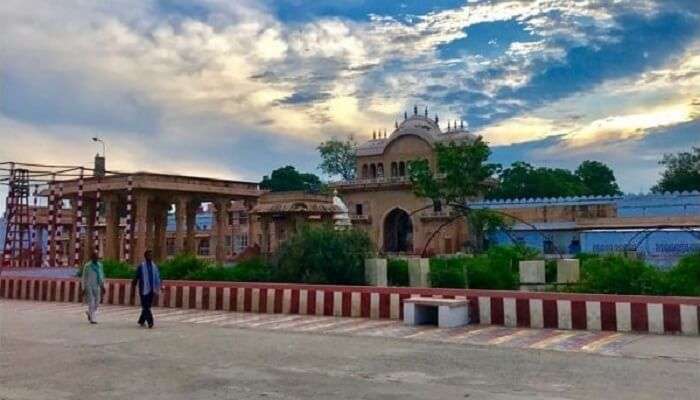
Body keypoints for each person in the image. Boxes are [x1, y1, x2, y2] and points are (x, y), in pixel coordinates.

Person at [132, 250, 161, 328]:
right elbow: (136, 277)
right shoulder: (141, 266)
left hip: (151, 289)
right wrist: (133, 287)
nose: (150, 257)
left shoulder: (154, 267)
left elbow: (158, 277)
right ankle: (150, 321)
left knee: (147, 306)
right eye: (149, 255)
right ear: (145, 257)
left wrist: (159, 286)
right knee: (146, 306)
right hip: (143, 289)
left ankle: (141, 320)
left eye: (151, 255)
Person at [82, 252, 105, 324]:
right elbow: (84, 277)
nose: (96, 259)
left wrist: (103, 286)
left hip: (97, 285)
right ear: (92, 258)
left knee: (97, 302)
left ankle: (89, 312)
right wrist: (83, 288)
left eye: (97, 257)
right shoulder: (87, 266)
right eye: (94, 257)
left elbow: (101, 275)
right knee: (91, 302)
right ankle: (93, 319)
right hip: (89, 285)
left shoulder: (99, 265)